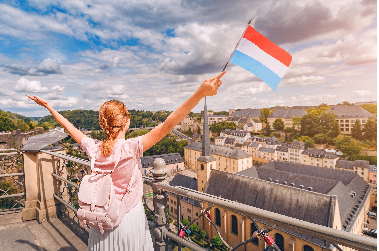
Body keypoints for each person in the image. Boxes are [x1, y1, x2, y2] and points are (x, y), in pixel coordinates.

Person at [27, 71, 226, 251]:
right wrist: (200, 93)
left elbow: (71, 128)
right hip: (128, 219)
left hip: (100, 222)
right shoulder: (131, 147)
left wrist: (49, 107)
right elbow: (169, 123)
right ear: (127, 122)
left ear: (103, 125)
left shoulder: (94, 148)